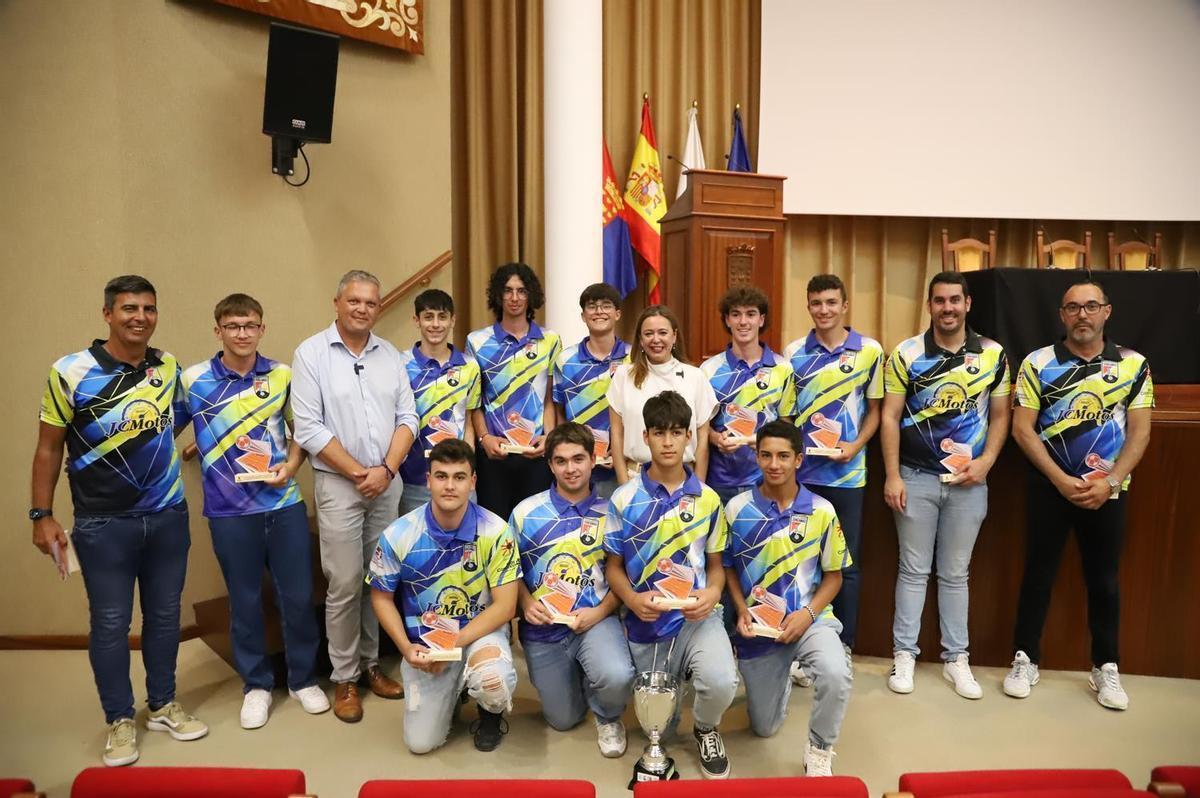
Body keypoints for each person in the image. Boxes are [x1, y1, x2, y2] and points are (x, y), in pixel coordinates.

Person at [30, 275, 207, 767]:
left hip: (168, 516)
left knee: (165, 616)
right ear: (107, 314)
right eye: (129, 308)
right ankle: (120, 718)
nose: (140, 317)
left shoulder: (167, 366)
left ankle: (163, 704)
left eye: (149, 309)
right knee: (110, 624)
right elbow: (48, 449)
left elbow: (175, 419)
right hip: (103, 523)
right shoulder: (70, 372)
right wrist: (42, 515)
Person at [182, 293, 328, 730]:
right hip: (229, 512)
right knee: (244, 601)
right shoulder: (193, 380)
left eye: (250, 325)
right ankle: (257, 686)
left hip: (282, 505)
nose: (242, 333)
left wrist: (292, 466)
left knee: (297, 596)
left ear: (262, 329)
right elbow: (163, 429)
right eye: (233, 326)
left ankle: (303, 679)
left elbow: (302, 430)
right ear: (218, 331)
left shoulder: (282, 375)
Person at [1004, 280, 1153, 710]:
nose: (1082, 314)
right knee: (1038, 575)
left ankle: (1106, 666)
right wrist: (1058, 479)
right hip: (1050, 488)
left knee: (1104, 581)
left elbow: (1141, 432)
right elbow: (1021, 428)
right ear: (1062, 315)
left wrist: (1110, 482)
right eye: (1073, 307)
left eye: (1090, 306)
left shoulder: (1133, 364)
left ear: (1107, 311)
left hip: (1107, 492)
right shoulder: (1038, 363)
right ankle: (1025, 659)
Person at [292, 269, 418, 722]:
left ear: (378, 308)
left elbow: (408, 417)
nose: (362, 309)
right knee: (345, 582)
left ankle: (370, 665)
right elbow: (308, 428)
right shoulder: (311, 354)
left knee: (377, 579)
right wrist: (361, 472)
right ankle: (344, 677)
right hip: (339, 486)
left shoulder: (391, 356)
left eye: (370, 302)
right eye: (354, 301)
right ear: (337, 303)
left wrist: (386, 470)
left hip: (386, 484)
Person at [881, 271, 1010, 699]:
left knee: (955, 574)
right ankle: (904, 655)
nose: (948, 308)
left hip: (969, 482)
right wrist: (893, 474)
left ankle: (957, 659)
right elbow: (889, 417)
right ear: (930, 306)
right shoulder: (906, 353)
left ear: (968, 304)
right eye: (940, 300)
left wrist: (986, 462)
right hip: (914, 478)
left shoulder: (992, 354)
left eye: (955, 300)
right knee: (912, 570)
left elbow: (1002, 415)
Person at [604, 391, 737, 780]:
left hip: (697, 617)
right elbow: (613, 568)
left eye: (676, 432)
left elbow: (717, 567)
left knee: (722, 682)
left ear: (688, 438)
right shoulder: (623, 499)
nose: (667, 442)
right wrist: (632, 599)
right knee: (659, 721)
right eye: (659, 433)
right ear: (645, 437)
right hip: (646, 619)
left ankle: (706, 728)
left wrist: (712, 594)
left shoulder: (708, 500)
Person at [368, 439, 521, 753]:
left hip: (480, 632)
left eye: (459, 477)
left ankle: (489, 712)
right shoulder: (398, 534)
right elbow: (381, 598)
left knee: (493, 682)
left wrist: (453, 643)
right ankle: (453, 690)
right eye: (441, 476)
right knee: (421, 743)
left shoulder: (496, 531)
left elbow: (506, 607)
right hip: (426, 643)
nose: (450, 486)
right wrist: (406, 648)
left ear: (472, 481)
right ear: (428, 480)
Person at [724, 421, 852, 777]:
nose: (774, 464)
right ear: (756, 456)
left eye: (783, 456)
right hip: (760, 630)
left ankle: (820, 748)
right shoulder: (736, 508)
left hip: (810, 619)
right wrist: (741, 610)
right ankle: (782, 676)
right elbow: (728, 567)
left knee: (836, 673)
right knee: (763, 728)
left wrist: (807, 614)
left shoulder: (823, 511)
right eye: (765, 455)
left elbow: (835, 576)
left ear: (798, 459)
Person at [511, 422, 635, 757]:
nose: (571, 468)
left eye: (578, 459)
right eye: (561, 461)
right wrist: (526, 602)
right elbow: (508, 573)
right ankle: (580, 677)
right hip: (543, 629)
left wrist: (600, 612)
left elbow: (623, 576)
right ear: (550, 465)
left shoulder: (613, 513)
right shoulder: (525, 513)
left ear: (593, 460)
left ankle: (608, 715)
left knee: (617, 676)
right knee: (562, 720)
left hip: (596, 620)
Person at [781, 274, 884, 672]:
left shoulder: (869, 351)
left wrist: (855, 447)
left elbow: (876, 412)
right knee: (801, 561)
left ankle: (843, 645)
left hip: (848, 477)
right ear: (808, 307)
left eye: (830, 302)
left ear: (844, 306)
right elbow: (787, 416)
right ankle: (801, 646)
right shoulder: (793, 353)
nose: (823, 310)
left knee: (845, 566)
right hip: (804, 478)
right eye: (816, 303)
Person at [467, 263, 561, 520]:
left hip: (536, 454)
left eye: (521, 291)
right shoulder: (477, 341)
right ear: (498, 295)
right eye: (508, 290)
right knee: (493, 529)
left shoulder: (550, 340)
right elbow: (474, 402)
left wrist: (549, 437)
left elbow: (549, 399)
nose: (515, 297)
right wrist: (485, 438)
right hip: (494, 455)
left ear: (531, 295)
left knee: (534, 528)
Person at [701, 286, 795, 506]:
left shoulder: (783, 369)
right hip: (720, 480)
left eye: (750, 314)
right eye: (736, 314)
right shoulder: (708, 370)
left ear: (761, 319)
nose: (743, 322)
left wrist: (763, 440)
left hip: (766, 479)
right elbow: (701, 426)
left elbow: (787, 425)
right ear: (727, 320)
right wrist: (716, 439)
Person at [607, 305, 718, 484]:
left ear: (674, 336)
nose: (656, 339)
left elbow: (703, 439)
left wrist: (697, 488)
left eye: (663, 333)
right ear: (640, 339)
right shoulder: (623, 376)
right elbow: (617, 434)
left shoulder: (695, 376)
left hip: (683, 482)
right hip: (635, 480)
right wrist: (623, 485)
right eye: (648, 333)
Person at [397, 289, 481, 516]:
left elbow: (469, 422)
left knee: (464, 536)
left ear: (453, 320)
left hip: (458, 477)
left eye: (442, 317)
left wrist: (468, 469)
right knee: (416, 537)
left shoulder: (470, 366)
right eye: (428, 317)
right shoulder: (400, 364)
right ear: (416, 320)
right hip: (412, 479)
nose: (435, 324)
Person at [552, 282, 630, 499]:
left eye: (606, 306)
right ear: (583, 316)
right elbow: (559, 412)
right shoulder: (565, 360)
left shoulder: (634, 358)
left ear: (617, 314)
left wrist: (622, 450)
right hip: (576, 469)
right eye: (592, 306)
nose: (599, 311)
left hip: (622, 466)